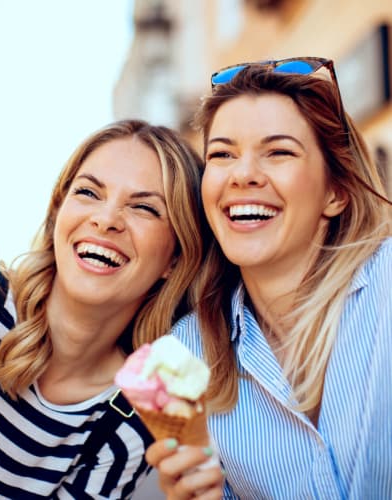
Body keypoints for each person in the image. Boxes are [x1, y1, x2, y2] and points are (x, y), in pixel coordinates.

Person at [0, 119, 205, 498]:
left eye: (143, 208)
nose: (105, 220)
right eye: (89, 192)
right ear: (58, 213)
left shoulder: (127, 422)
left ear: (176, 257)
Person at [146, 58, 392, 499]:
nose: (242, 175)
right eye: (222, 154)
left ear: (335, 192)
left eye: (278, 151)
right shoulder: (184, 356)